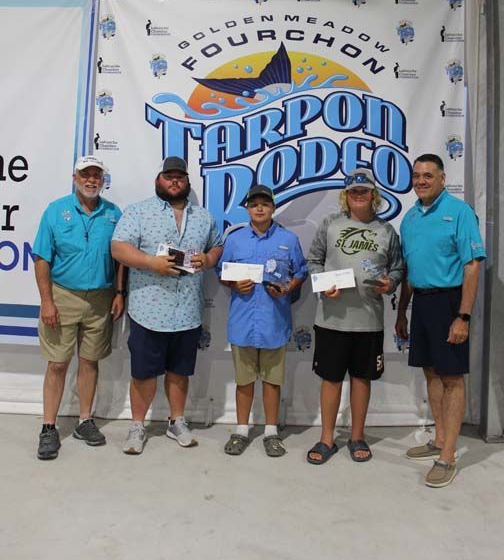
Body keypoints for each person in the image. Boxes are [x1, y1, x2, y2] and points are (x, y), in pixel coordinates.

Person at [111, 156, 223, 455]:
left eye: (180, 177)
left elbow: (217, 244)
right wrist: (151, 263)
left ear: (187, 182)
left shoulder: (203, 217)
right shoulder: (138, 212)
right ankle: (137, 425)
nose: (175, 181)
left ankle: (177, 421)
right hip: (148, 310)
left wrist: (209, 259)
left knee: (179, 371)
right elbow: (119, 248)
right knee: (144, 374)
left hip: (187, 311)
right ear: (158, 180)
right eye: (169, 176)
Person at [395, 154, 485, 488]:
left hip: (450, 302)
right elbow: (407, 269)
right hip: (421, 302)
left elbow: (472, 266)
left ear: (443, 178)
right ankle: (439, 438)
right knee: (431, 372)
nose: (421, 181)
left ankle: (447, 456)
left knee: (452, 379)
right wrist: (403, 310)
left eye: (428, 175)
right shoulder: (410, 218)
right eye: (417, 175)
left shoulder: (460, 213)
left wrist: (463, 316)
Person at [306, 169, 404, 464]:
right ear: (345, 196)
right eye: (353, 191)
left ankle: (357, 436)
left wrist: (391, 283)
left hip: (369, 320)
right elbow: (313, 260)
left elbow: (398, 268)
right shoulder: (330, 224)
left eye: (364, 191)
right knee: (331, 378)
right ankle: (326, 439)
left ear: (374, 196)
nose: (358, 195)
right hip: (331, 319)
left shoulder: (387, 231)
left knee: (362, 379)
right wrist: (324, 284)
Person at [33, 156, 126, 460]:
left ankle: (85, 421)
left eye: (96, 175)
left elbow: (120, 258)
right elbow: (42, 258)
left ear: (103, 180)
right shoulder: (55, 211)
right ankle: (49, 427)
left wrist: (119, 292)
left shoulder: (113, 213)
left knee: (90, 362)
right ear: (75, 178)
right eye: (85, 175)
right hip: (63, 296)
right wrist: (47, 301)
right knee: (57, 364)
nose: (91, 180)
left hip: (100, 298)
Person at [218, 185, 308, 457]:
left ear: (273, 207)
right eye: (254, 203)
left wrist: (288, 288)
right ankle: (241, 429)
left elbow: (300, 272)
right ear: (246, 207)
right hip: (243, 322)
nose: (259, 208)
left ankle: (271, 431)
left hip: (274, 322)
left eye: (264, 203)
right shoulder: (234, 240)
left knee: (272, 381)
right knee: (243, 380)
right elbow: (222, 272)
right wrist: (233, 284)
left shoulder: (289, 240)